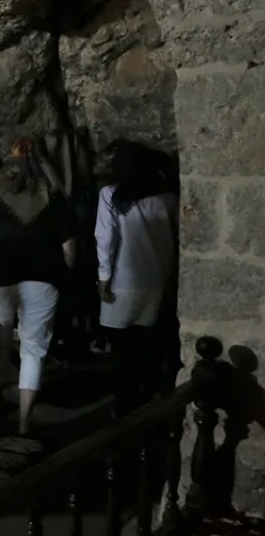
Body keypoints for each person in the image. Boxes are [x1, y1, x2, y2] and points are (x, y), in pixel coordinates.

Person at [0, 147, 76, 435]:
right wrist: (66, 272)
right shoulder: (49, 194)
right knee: (33, 349)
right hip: (43, 276)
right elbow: (68, 242)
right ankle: (24, 421)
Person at [95, 141, 178, 417]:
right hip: (157, 279)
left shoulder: (110, 195)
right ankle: (149, 400)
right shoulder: (167, 198)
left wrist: (103, 277)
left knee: (121, 349)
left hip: (123, 280)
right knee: (148, 343)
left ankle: (124, 404)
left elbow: (106, 239)